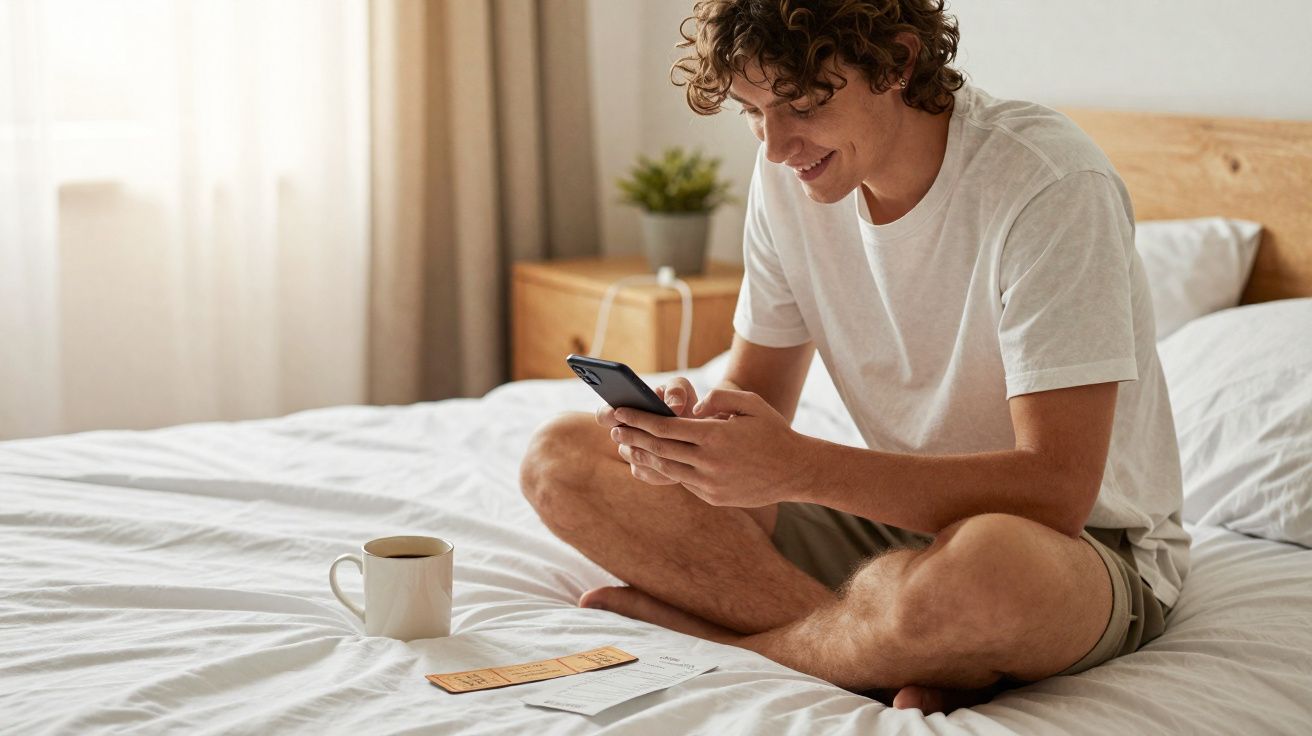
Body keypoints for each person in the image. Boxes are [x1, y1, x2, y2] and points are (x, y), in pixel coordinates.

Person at [520, 0, 1188, 714]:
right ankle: (879, 647)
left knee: (985, 575)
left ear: (898, 62)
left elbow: (1058, 490)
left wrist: (801, 466)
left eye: (800, 104)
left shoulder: (1048, 185)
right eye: (752, 111)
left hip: (1070, 547)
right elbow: (757, 394)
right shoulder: (790, 177)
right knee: (561, 460)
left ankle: (748, 646)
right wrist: (694, 440)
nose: (775, 146)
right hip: (893, 522)